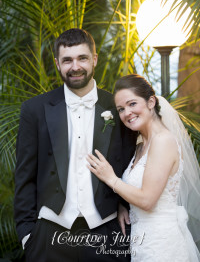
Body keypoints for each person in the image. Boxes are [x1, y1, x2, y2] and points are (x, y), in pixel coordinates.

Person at [14, 29, 137, 262]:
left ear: (94, 59)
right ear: (57, 64)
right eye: (67, 60)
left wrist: (123, 205)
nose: (75, 66)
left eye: (82, 58)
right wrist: (27, 235)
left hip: (106, 231)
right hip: (49, 233)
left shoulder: (118, 107)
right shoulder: (35, 109)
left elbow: (130, 163)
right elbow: (24, 176)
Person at [87, 74, 200, 261]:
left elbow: (148, 200)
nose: (126, 113)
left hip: (162, 245)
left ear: (151, 102)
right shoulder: (141, 145)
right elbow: (137, 191)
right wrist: (124, 207)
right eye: (121, 109)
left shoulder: (163, 141)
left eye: (132, 104)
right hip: (142, 242)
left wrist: (110, 178)